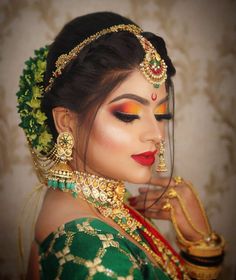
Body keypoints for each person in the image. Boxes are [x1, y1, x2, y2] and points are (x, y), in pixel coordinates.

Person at [17, 12, 225, 280]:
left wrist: (199, 244)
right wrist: (203, 247)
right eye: (127, 114)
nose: (156, 135)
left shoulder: (95, 203)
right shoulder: (95, 256)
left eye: (161, 115)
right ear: (66, 121)